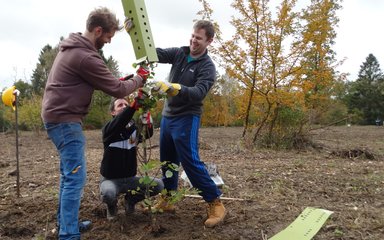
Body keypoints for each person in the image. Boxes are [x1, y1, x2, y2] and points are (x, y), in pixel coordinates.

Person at [41, 7, 149, 240]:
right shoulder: (84, 56)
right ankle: (68, 234)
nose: (109, 41)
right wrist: (141, 78)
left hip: (57, 117)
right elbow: (117, 89)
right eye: (108, 36)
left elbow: (109, 82)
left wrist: (125, 80)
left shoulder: (75, 48)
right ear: (98, 30)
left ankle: (66, 224)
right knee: (75, 178)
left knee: (68, 174)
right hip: (65, 121)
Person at [152, 20, 226, 228]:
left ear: (209, 41)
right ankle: (168, 199)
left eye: (199, 38)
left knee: (190, 162)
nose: (193, 40)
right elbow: (153, 54)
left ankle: (215, 203)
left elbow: (198, 93)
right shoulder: (179, 53)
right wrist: (136, 37)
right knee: (167, 161)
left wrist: (175, 87)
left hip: (186, 117)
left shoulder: (207, 67)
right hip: (168, 117)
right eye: (193, 36)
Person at [99, 96, 164, 220]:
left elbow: (146, 134)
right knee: (108, 193)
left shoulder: (133, 129)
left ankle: (130, 200)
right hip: (110, 180)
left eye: (125, 104)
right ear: (113, 112)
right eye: (120, 105)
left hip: (130, 179)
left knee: (158, 185)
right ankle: (112, 206)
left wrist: (148, 122)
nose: (124, 107)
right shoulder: (109, 130)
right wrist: (132, 107)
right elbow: (120, 121)